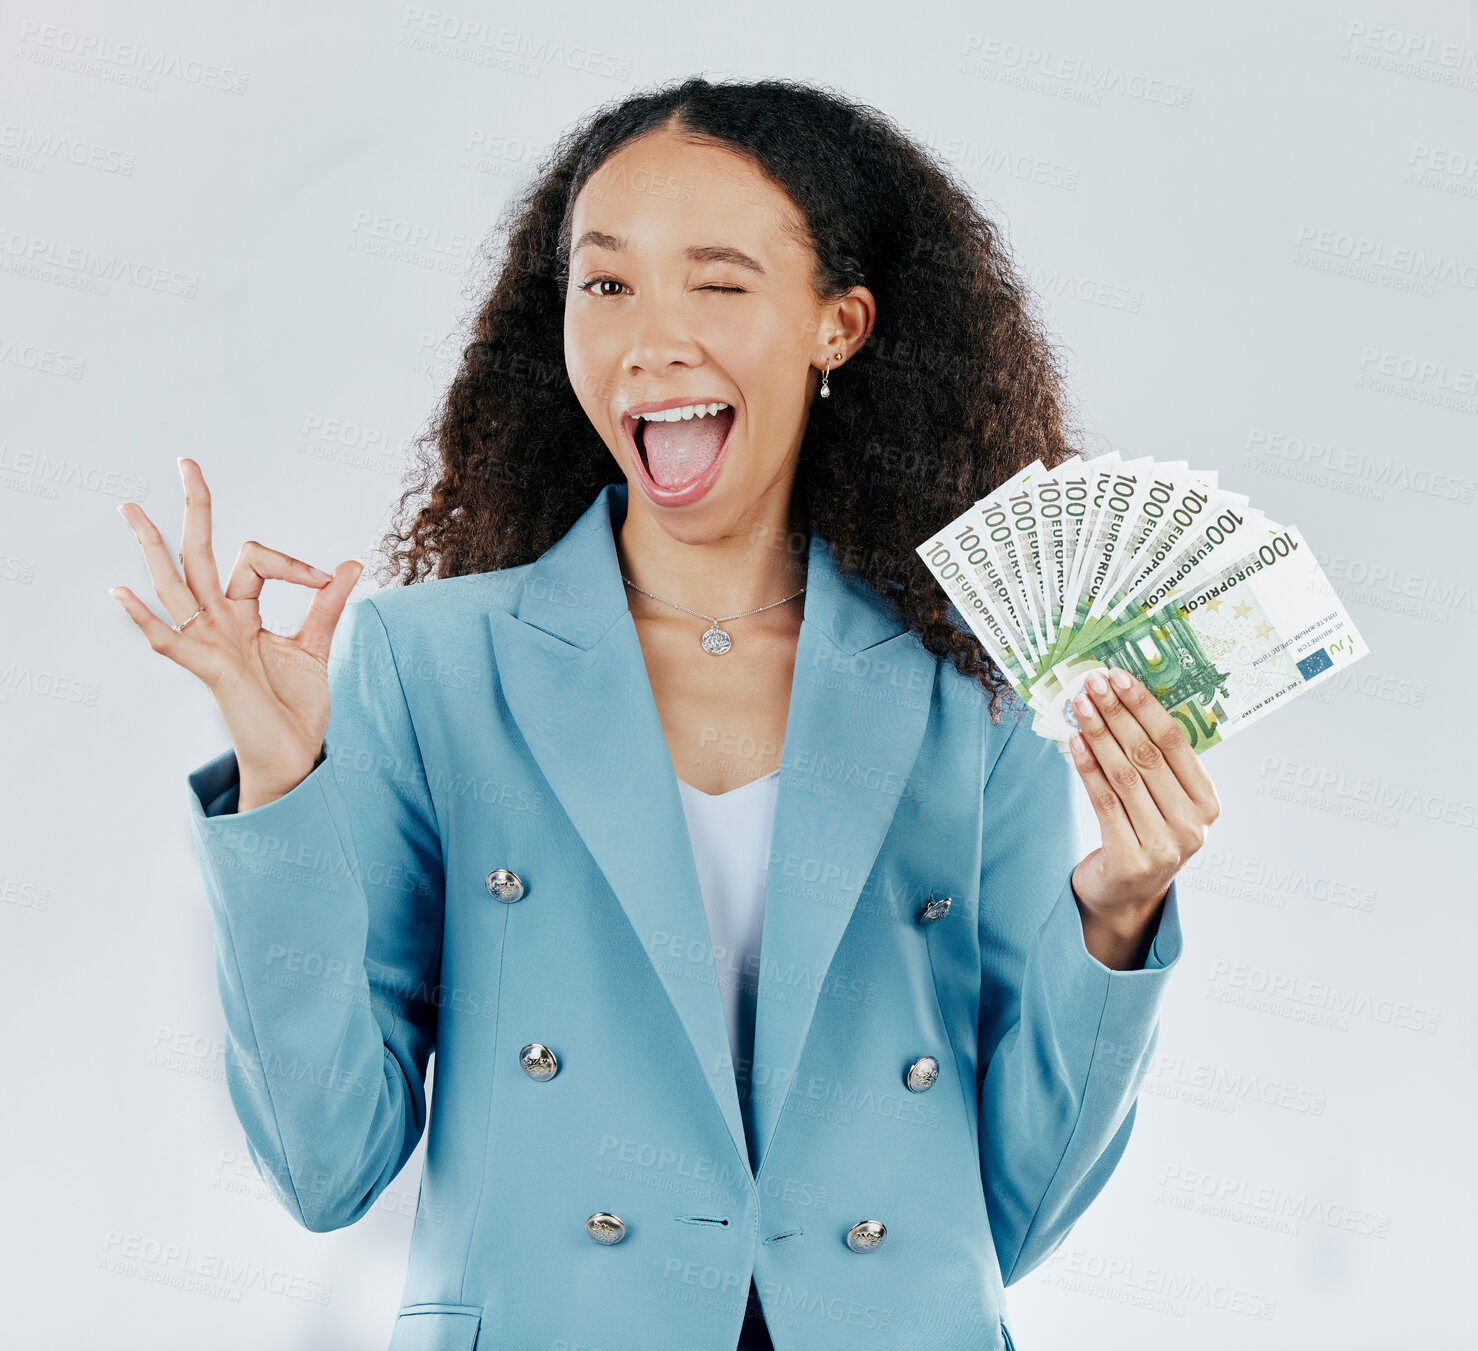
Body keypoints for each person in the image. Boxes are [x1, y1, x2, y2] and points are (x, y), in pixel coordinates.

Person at [111, 76, 1218, 1351]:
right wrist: (278, 779)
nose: (651, 338)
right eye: (607, 284)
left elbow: (1010, 1217)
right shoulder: (432, 665)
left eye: (719, 281)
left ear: (837, 326)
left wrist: (1119, 911)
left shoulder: (962, 685)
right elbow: (324, 1165)